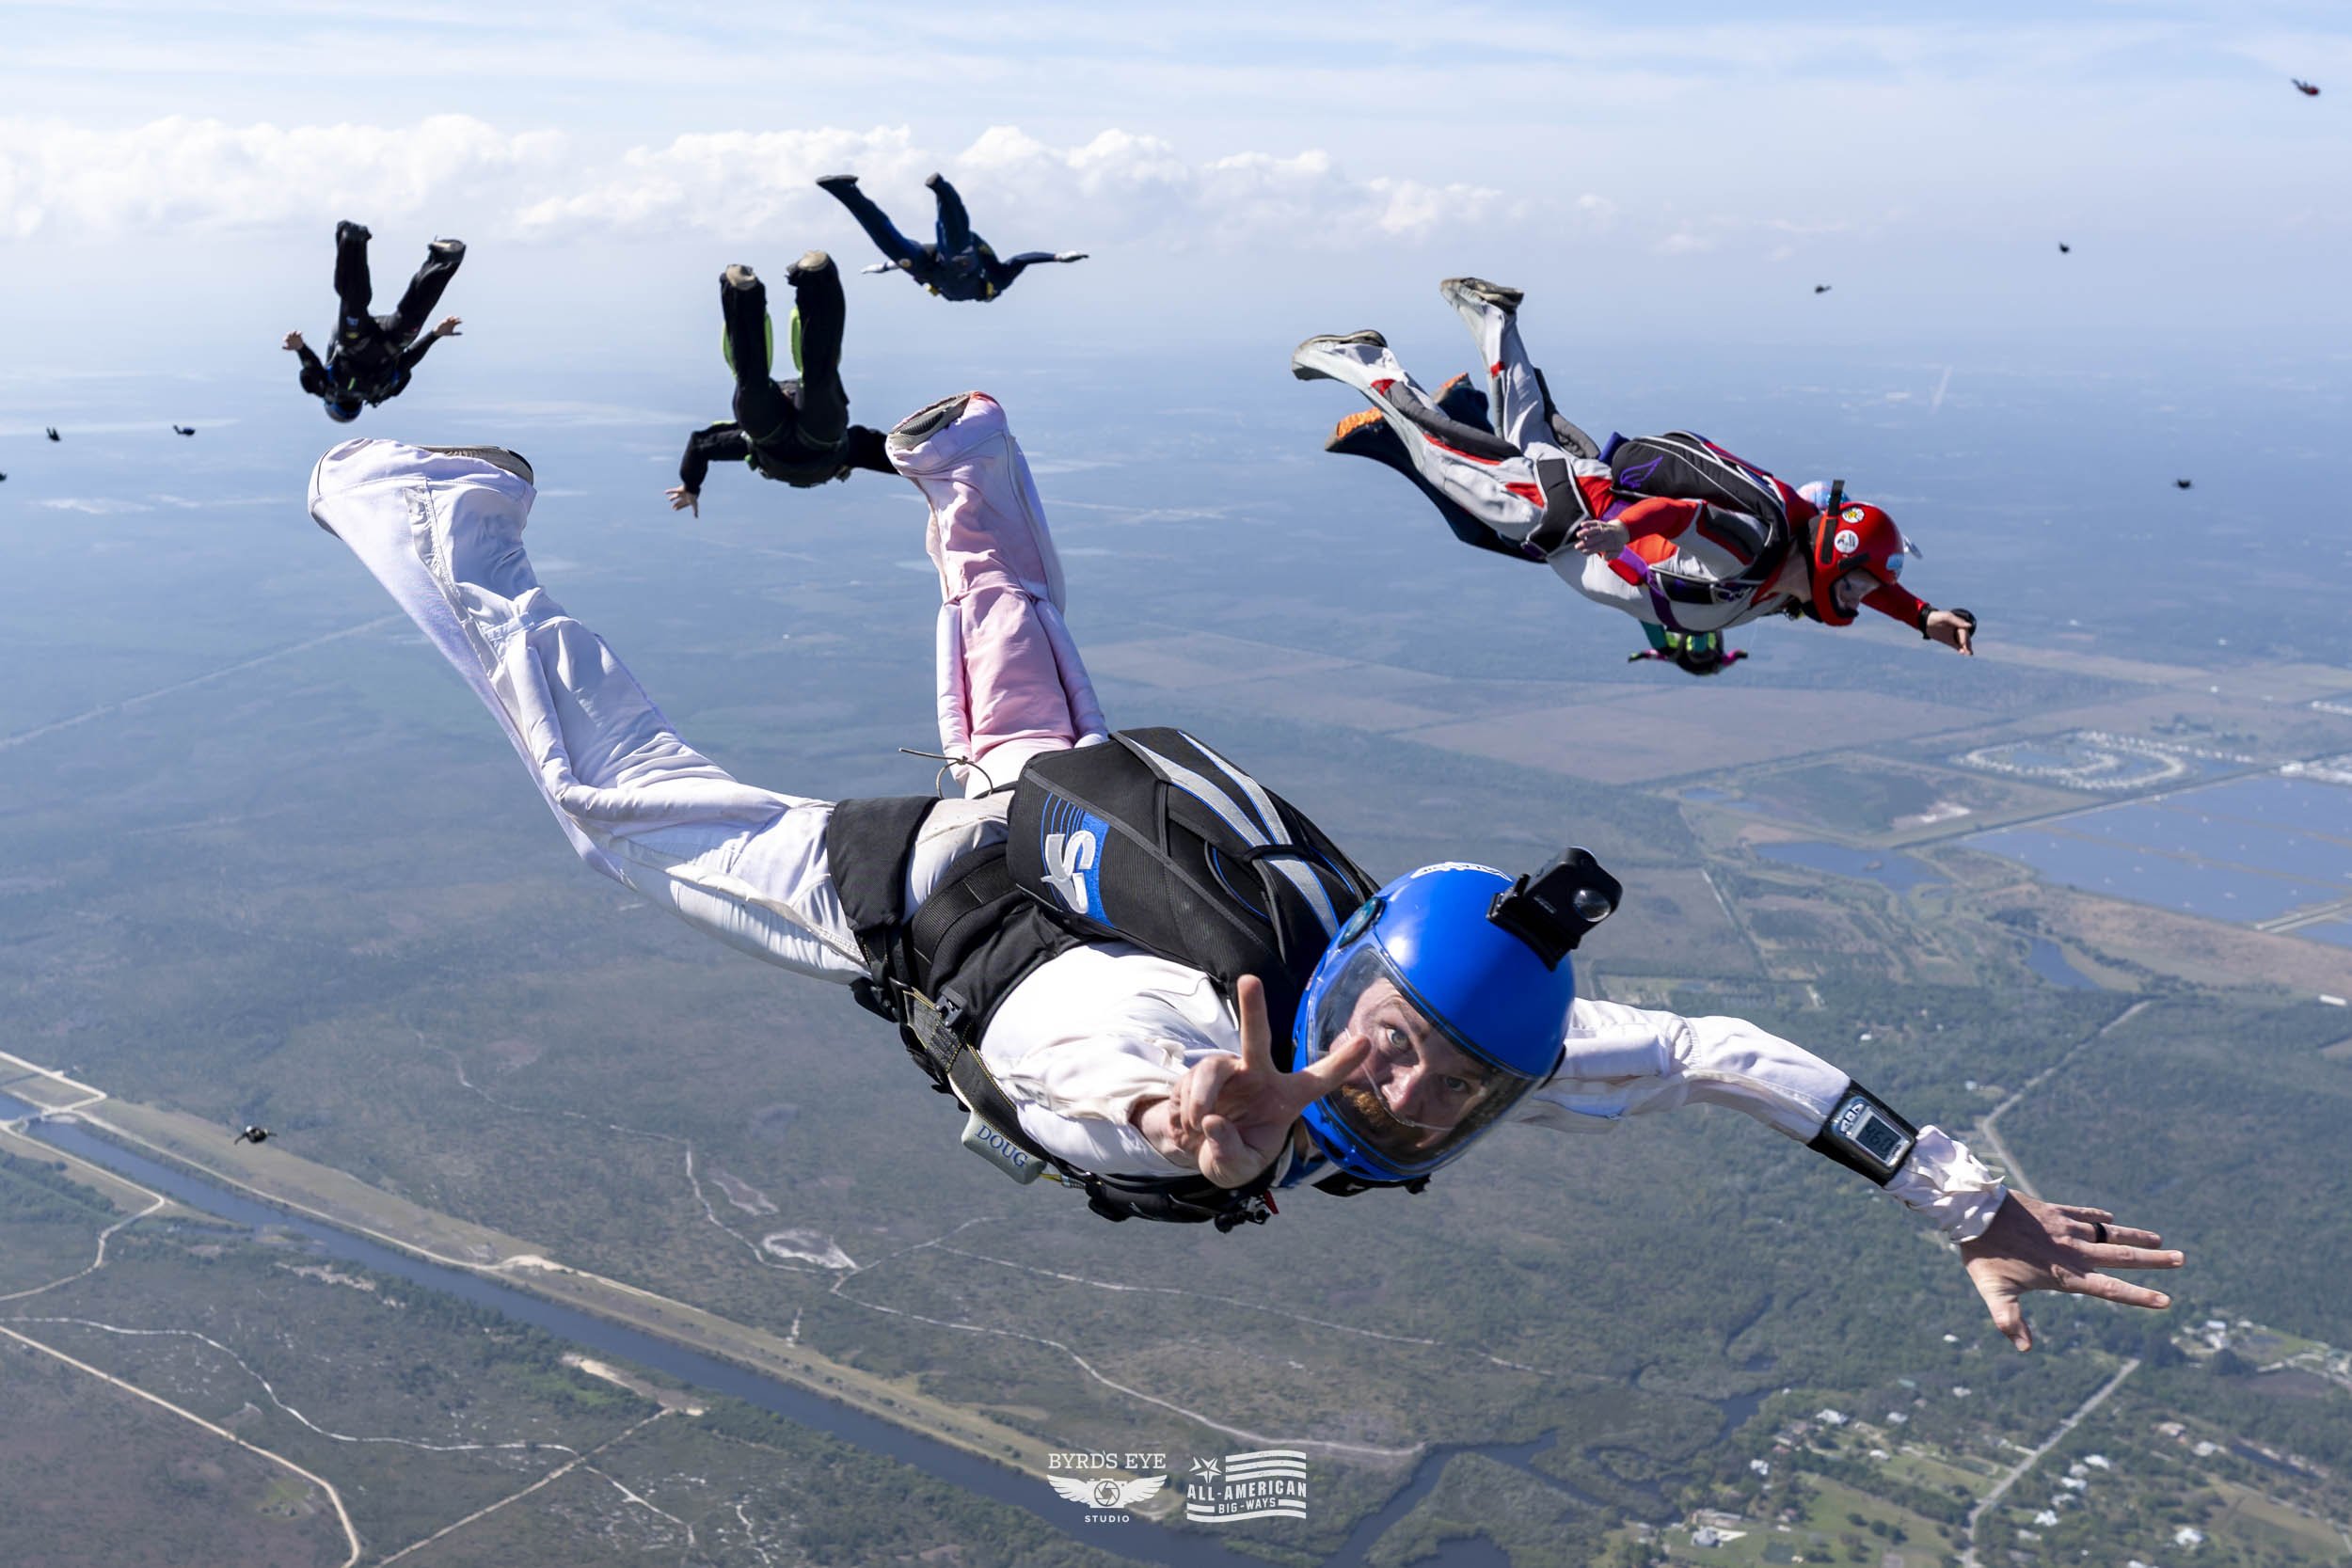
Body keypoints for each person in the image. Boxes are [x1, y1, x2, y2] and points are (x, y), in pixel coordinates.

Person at [308, 396, 2178, 1352]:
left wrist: (1950, 1193)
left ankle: (964, 451)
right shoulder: (1208, 1040)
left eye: (1445, 1083)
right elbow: (1081, 1053)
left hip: (1053, 794)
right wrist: (1190, 1113)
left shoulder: (1475, 1032)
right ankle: (425, 513)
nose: (1409, 1084)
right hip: (942, 901)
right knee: (623, 815)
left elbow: (1714, 1050)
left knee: (1015, 655)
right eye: (1395, 1052)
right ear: (1347, 970)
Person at [1295, 278, 1979, 658]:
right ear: (1834, 563)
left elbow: (1866, 575)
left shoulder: (1791, 566)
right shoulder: (1757, 548)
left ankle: (1491, 315)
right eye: (1858, 587)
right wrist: (1622, 536)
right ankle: (1359, 360)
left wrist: (1924, 617)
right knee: (1438, 450)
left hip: (1580, 515)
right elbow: (1685, 518)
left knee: (1523, 425)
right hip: (1567, 518)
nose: (1861, 602)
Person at [667, 252, 893, 515]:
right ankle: (742, 293)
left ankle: (815, 278)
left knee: (820, 373)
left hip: (821, 436)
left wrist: (943, 468)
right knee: (750, 377)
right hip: (768, 436)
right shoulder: (749, 445)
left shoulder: (851, 450)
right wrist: (690, 485)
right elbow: (701, 445)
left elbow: (899, 454)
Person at [283, 221, 464, 421]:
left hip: (374, 342)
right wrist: (300, 347)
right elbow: (407, 363)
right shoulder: (375, 391)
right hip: (364, 340)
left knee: (405, 311)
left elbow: (312, 369)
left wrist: (434, 335)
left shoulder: (350, 390)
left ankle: (444, 260)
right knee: (358, 301)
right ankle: (353, 241)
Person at [817, 172, 1086, 303]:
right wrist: (1057, 257)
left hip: (928, 263)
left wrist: (886, 266)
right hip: (962, 257)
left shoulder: (957, 294)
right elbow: (1020, 260)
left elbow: (917, 274)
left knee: (883, 236)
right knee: (953, 237)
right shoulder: (998, 280)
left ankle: (842, 189)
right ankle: (941, 189)